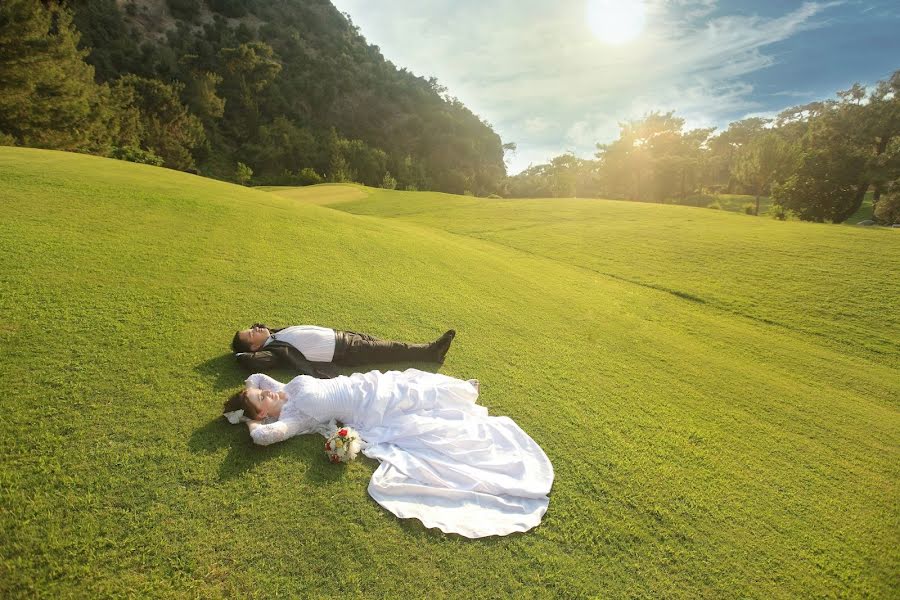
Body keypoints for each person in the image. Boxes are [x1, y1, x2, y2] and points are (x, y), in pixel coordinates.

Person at [222, 369, 554, 538]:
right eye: (260, 398)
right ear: (263, 413)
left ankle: (460, 393)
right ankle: (458, 398)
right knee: (413, 410)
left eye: (261, 392)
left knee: (408, 387)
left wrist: (246, 399)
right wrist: (249, 420)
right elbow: (263, 437)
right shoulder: (294, 417)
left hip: (366, 384)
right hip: (367, 408)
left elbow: (255, 377)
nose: (265, 391)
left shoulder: (284, 389)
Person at [231, 324, 455, 378]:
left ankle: (429, 352)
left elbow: (261, 325)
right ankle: (431, 352)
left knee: (388, 346)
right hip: (346, 351)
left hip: (346, 337)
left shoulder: (274, 336)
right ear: (254, 347)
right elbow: (253, 362)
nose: (255, 329)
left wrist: (259, 332)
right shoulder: (272, 351)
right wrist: (239, 355)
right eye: (251, 334)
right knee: (392, 350)